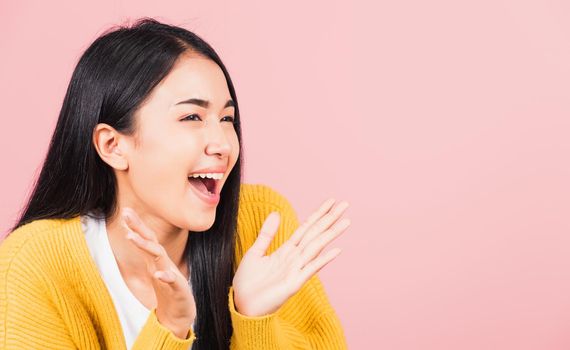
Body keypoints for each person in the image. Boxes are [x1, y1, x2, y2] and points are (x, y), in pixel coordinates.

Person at [0, 17, 350, 349]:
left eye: (226, 118)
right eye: (191, 117)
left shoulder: (260, 225)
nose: (224, 144)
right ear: (113, 146)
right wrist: (168, 328)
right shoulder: (35, 265)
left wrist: (254, 319)